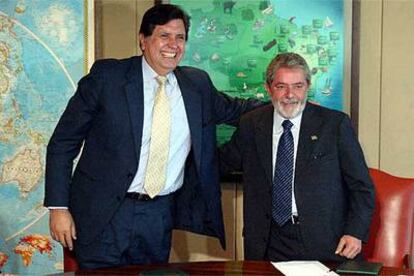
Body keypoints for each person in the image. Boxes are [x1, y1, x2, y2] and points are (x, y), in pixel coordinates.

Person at [44, 4, 262, 269]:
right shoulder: (107, 78)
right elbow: (63, 143)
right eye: (164, 35)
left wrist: (290, 101)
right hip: (104, 214)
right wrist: (58, 208)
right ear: (143, 39)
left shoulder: (197, 85)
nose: (173, 44)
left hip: (158, 216)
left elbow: (238, 110)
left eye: (180, 37)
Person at [219, 52, 375, 262]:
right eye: (281, 86)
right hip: (267, 242)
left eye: (298, 86)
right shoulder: (251, 124)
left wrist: (355, 232)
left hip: (326, 242)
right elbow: (219, 163)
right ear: (268, 88)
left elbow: (361, 187)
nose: (289, 94)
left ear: (308, 87)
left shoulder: (335, 125)